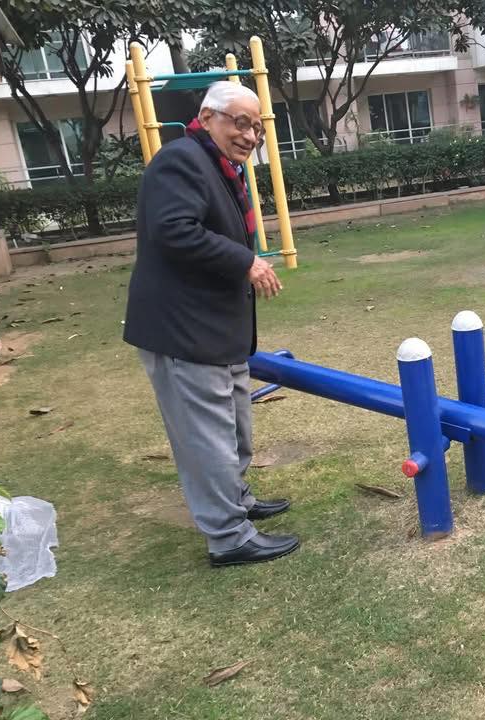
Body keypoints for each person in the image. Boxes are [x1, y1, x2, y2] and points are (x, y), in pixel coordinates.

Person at [124, 81, 300, 567]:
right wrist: (245, 261)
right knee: (207, 440)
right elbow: (174, 230)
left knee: (234, 427)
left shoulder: (219, 166)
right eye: (239, 123)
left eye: (256, 127)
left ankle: (236, 500)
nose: (250, 136)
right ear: (206, 117)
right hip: (183, 331)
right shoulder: (180, 160)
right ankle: (228, 537)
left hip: (215, 329)